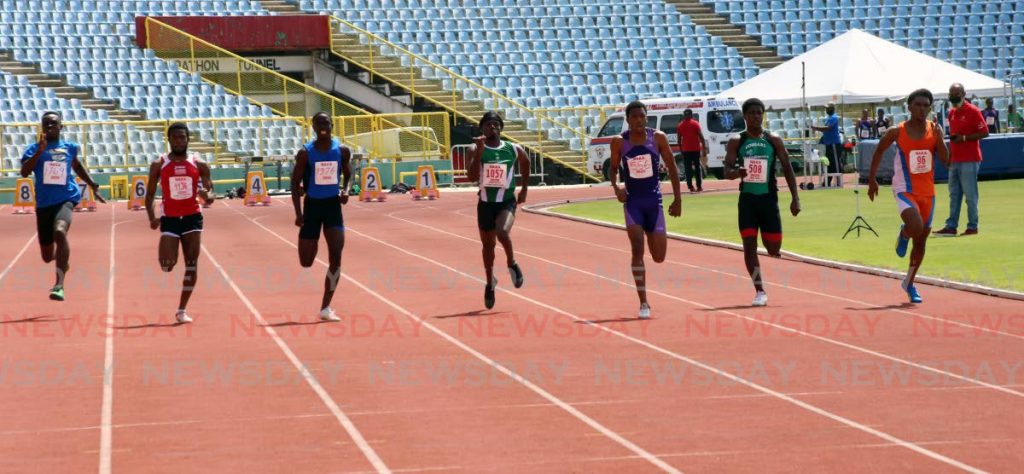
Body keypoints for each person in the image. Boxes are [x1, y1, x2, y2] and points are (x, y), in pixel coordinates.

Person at [868, 89, 950, 303]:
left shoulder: (935, 130)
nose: (922, 109)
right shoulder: (897, 131)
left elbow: (946, 160)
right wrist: (872, 179)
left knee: (921, 242)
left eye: (926, 105)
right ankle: (904, 234)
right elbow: (879, 150)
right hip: (904, 188)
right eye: (919, 105)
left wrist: (940, 140)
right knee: (915, 227)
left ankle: (909, 282)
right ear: (910, 107)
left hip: (927, 192)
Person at [19, 111, 106, 301]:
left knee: (60, 231)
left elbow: (77, 166)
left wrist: (93, 186)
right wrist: (39, 152)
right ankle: (62, 261)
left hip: (66, 198)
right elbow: (24, 172)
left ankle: (59, 285)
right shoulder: (33, 149)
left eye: (53, 123)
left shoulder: (70, 147)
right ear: (42, 127)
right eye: (46, 124)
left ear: (61, 126)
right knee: (47, 256)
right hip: (44, 204)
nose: (49, 126)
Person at [724, 98, 800, 307]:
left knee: (773, 247)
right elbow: (726, 170)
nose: (757, 116)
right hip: (748, 200)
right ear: (745, 116)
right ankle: (759, 290)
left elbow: (787, 167)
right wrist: (736, 173)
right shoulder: (736, 141)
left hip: (769, 199)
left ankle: (771, 249)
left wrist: (795, 198)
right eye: (752, 113)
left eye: (760, 113)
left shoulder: (773, 139)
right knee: (749, 246)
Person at [609, 101, 682, 319]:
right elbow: (613, 170)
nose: (639, 120)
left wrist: (678, 199)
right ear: (628, 120)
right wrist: (616, 188)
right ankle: (643, 302)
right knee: (637, 249)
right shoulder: (619, 142)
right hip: (633, 203)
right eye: (634, 117)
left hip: (654, 202)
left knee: (659, 257)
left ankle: (651, 231)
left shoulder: (657, 138)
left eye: (642, 116)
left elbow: (672, 166)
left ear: (646, 117)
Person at [144, 122, 215, 324]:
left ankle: (181, 309)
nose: (179, 141)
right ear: (169, 140)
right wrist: (152, 218)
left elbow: (211, 195)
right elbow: (149, 195)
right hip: (170, 219)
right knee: (167, 265)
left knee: (191, 264)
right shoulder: (159, 164)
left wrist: (206, 195)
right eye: (175, 137)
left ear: (187, 139)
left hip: (193, 217)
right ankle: (168, 257)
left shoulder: (199, 164)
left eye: (182, 137)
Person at [291, 112, 351, 322]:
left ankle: (326, 307)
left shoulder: (342, 151)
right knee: (306, 262)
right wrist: (298, 213)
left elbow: (348, 174)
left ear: (332, 125)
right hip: (312, 207)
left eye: (326, 122)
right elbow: (294, 182)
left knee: (336, 256)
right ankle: (312, 238)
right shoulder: (305, 153)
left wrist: (346, 190)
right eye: (318, 123)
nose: (323, 126)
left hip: (333, 207)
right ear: (313, 127)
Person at [466, 111, 530, 309]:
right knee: (488, 247)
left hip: (506, 201)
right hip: (485, 203)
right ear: (482, 129)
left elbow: (526, 163)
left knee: (502, 232)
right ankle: (490, 283)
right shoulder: (473, 149)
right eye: (488, 125)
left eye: (495, 124)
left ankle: (512, 262)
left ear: (501, 128)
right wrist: (479, 151)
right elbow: (471, 177)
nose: (492, 127)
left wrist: (524, 189)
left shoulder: (513, 148)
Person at [933, 83, 988, 237]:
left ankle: (972, 227)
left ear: (964, 93)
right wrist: (950, 156)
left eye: (956, 92)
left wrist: (964, 138)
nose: (953, 95)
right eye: (951, 92)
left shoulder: (973, 111)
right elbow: (953, 137)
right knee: (954, 194)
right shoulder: (951, 112)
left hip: (970, 158)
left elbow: (984, 132)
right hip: (955, 159)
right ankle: (951, 226)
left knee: (970, 194)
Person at [675, 109, 708, 192]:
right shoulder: (695, 124)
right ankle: (699, 186)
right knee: (697, 168)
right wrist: (704, 148)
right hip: (696, 150)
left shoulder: (680, 125)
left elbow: (679, 140)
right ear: (691, 115)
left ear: (684, 115)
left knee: (688, 169)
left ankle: (690, 187)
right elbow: (701, 137)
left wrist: (681, 151)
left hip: (686, 150)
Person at [811, 103, 843, 186]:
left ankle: (839, 182)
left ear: (832, 109)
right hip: (828, 145)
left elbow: (828, 128)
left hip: (834, 145)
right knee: (829, 163)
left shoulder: (834, 118)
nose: (826, 110)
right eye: (826, 108)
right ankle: (827, 182)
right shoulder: (828, 118)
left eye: (827, 108)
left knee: (835, 163)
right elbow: (826, 132)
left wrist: (816, 128)